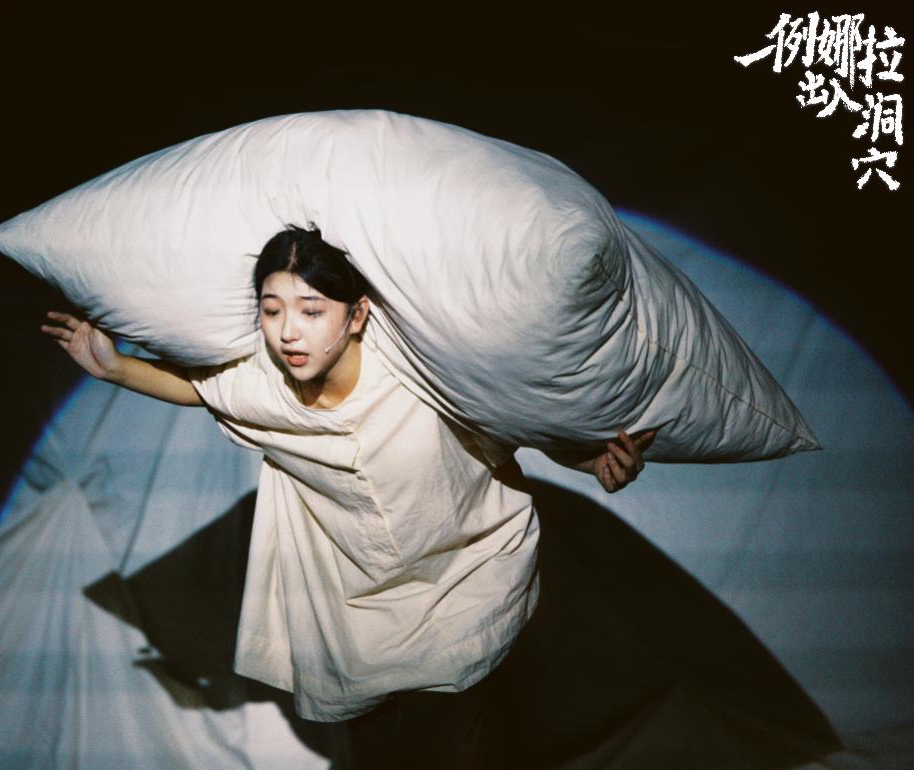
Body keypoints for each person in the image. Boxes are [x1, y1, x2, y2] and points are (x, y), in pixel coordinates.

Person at [41, 223, 655, 768]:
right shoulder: (265, 386)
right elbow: (200, 389)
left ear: (357, 315)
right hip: (353, 615)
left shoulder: (421, 372)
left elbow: (518, 419)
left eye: (312, 310)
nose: (288, 332)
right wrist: (113, 367)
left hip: (460, 584)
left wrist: (592, 461)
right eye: (271, 310)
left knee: (452, 753)